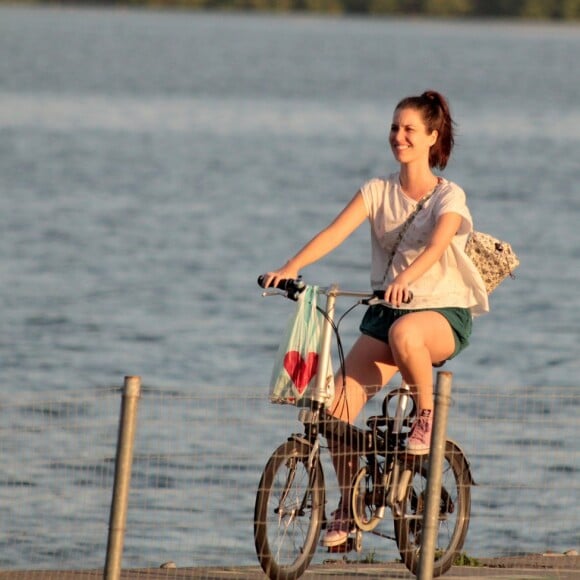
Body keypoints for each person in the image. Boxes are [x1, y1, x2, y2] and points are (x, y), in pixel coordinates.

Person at [260, 90, 489, 548]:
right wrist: (290, 269)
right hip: (387, 313)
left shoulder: (449, 196)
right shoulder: (377, 191)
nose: (398, 137)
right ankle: (349, 507)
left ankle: (426, 416)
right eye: (393, 128)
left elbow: (439, 244)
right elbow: (333, 232)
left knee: (407, 331)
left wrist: (408, 278)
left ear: (431, 137)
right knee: (335, 409)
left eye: (408, 130)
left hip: (440, 313)